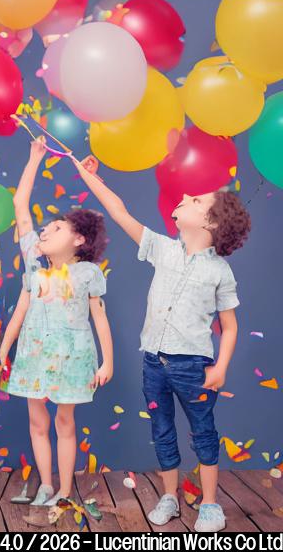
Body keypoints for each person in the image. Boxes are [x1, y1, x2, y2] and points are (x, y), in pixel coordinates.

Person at [74, 154, 250, 532]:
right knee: (161, 428)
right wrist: (91, 178)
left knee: (204, 432)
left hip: (194, 368)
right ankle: (169, 497)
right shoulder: (163, 249)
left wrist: (220, 368)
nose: (186, 194)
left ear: (211, 222)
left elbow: (230, 327)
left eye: (198, 200)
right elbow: (119, 213)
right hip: (154, 362)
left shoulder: (221, 271)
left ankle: (210, 504)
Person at [0, 137, 113, 506]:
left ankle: (65, 490)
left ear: (79, 239)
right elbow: (20, 205)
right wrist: (34, 158)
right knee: (37, 423)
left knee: (65, 423)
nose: (45, 232)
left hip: (72, 357)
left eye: (56, 229)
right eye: (44, 230)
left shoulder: (85, 273)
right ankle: (45, 485)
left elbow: (99, 318)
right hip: (33, 354)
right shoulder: (34, 266)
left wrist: (107, 360)